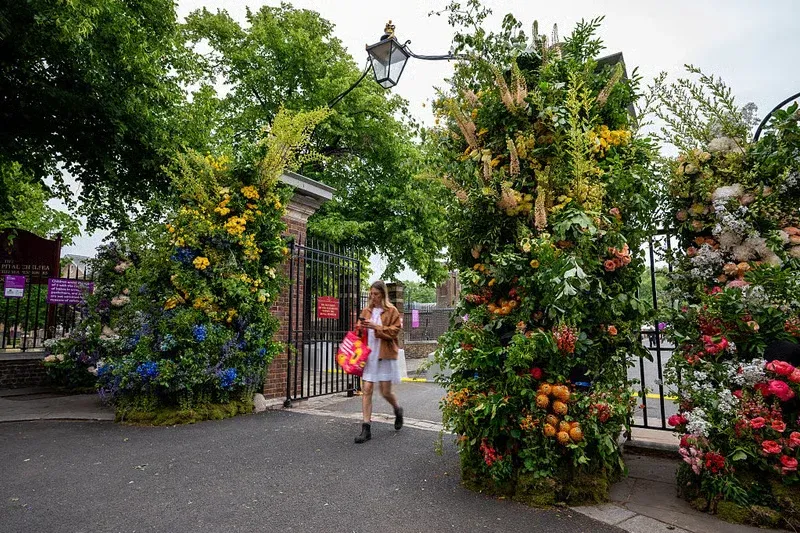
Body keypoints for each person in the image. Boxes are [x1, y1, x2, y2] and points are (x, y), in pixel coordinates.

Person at [354, 280, 403, 443]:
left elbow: (395, 332)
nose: (373, 297)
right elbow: (358, 329)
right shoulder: (366, 310)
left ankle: (397, 409)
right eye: (371, 294)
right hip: (369, 354)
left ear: (383, 294)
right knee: (366, 388)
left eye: (376, 294)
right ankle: (366, 428)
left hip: (384, 354)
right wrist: (360, 328)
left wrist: (376, 327)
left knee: (385, 391)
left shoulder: (392, 311)